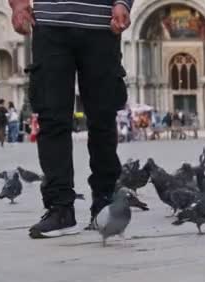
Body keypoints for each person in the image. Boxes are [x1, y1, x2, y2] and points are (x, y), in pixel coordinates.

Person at [9, 0, 132, 238]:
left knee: (102, 118)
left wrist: (123, 3)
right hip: (50, 24)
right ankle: (60, 208)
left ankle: (104, 202)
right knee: (52, 119)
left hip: (102, 23)